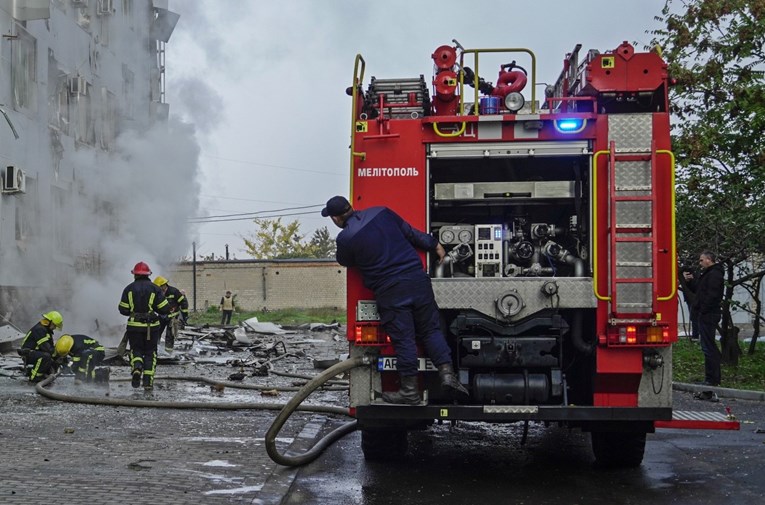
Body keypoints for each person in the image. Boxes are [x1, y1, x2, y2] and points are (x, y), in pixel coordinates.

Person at [322, 195, 468, 404]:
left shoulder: (346, 238)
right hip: (418, 280)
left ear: (336, 219)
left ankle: (410, 391)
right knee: (431, 330)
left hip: (391, 290)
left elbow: (345, 260)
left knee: (404, 339)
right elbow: (410, 233)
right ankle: (447, 375)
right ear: (351, 207)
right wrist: (434, 245)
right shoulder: (382, 211)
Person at [119, 262, 170, 390]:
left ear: (134, 274)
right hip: (152, 327)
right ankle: (148, 382)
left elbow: (123, 309)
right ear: (149, 275)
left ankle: (136, 367)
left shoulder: (128, 289)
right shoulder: (155, 289)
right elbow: (164, 309)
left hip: (134, 326)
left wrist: (133, 311)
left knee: (136, 350)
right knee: (150, 353)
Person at [683, 250, 724, 386]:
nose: (700, 263)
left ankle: (712, 379)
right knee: (707, 346)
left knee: (708, 347)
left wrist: (703, 310)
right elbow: (699, 290)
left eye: (701, 260)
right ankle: (711, 378)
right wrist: (690, 281)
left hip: (708, 315)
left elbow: (712, 295)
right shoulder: (708, 274)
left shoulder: (714, 275)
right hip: (706, 314)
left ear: (709, 260)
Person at [18, 311, 64, 382]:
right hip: (28, 354)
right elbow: (46, 348)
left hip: (36, 353)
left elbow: (50, 347)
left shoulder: (46, 330)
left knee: (51, 358)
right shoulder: (39, 329)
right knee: (46, 356)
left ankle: (43, 374)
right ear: (49, 322)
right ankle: (35, 377)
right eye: (54, 325)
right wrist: (57, 355)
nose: (55, 327)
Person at [152, 275, 189, 353]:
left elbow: (183, 302)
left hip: (172, 317)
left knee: (170, 335)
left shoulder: (174, 291)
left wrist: (184, 315)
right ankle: (155, 351)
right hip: (161, 316)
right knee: (156, 333)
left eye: (158, 287)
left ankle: (168, 352)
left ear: (163, 285)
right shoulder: (157, 293)